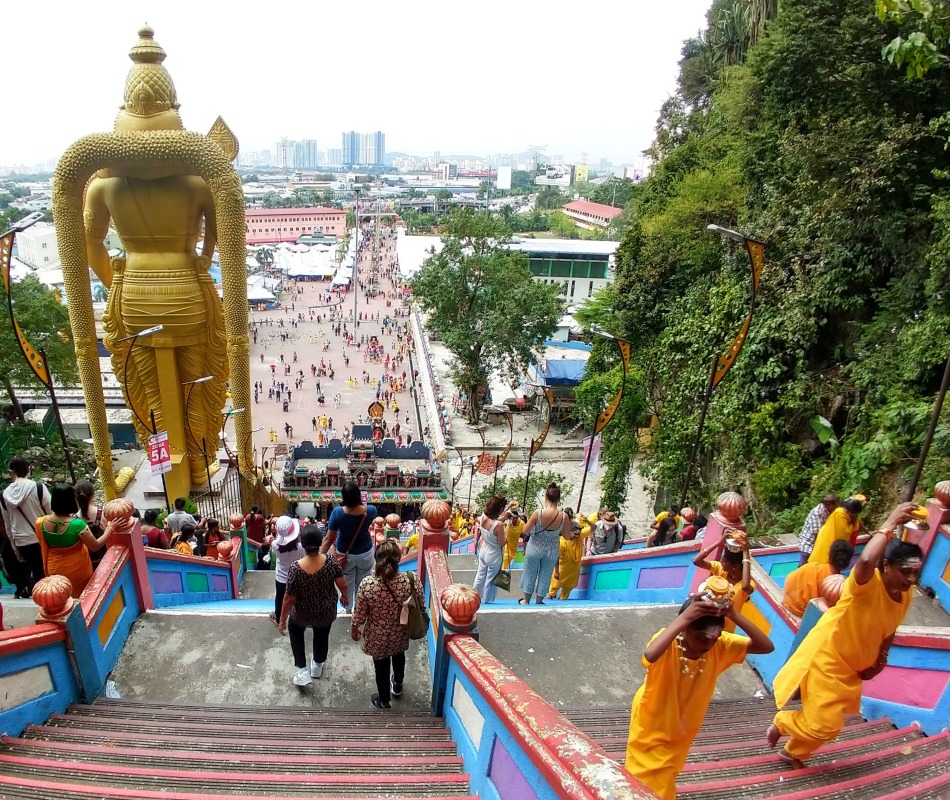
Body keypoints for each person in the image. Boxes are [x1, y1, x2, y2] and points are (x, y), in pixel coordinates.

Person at [768, 502, 921, 768]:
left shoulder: (905, 594)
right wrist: (891, 522)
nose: (911, 579)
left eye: (915, 572)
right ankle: (782, 722)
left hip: (853, 667)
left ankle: (793, 752)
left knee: (832, 725)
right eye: (905, 571)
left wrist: (880, 659)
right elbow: (863, 560)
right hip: (827, 659)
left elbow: (890, 626)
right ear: (886, 566)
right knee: (823, 725)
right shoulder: (865, 585)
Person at [625, 596, 774, 798]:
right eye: (701, 637)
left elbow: (766, 646)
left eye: (714, 637)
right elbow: (650, 654)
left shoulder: (721, 645)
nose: (708, 644)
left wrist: (734, 615)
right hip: (652, 721)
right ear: (685, 628)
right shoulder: (668, 642)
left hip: (684, 726)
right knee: (645, 782)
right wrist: (685, 617)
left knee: (667, 771)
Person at [351, 539, 422, 708]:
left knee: (381, 665)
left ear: (377, 559)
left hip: (377, 635)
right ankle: (397, 685)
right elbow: (421, 605)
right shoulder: (411, 580)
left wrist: (355, 628)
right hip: (401, 631)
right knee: (399, 656)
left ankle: (384, 700)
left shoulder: (368, 584)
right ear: (399, 559)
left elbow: (359, 613)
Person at [278, 525, 349, 686]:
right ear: (319, 542)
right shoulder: (330, 560)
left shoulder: (295, 568)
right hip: (326, 612)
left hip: (301, 614)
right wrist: (344, 596)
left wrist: (282, 620)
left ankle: (302, 671)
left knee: (295, 630)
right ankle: (317, 665)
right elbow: (342, 583)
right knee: (322, 634)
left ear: (302, 544)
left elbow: (289, 598)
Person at [35, 483, 112, 597]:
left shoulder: (40, 523)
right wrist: (109, 531)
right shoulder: (77, 525)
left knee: (61, 595)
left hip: (54, 568)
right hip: (77, 569)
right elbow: (95, 546)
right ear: (72, 500)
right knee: (82, 597)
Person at [321, 481, 376, 612]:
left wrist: (320, 556)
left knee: (346, 582)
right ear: (358, 496)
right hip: (365, 552)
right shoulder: (371, 511)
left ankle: (348, 610)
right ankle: (360, 610)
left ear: (344, 498)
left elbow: (329, 538)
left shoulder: (338, 513)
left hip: (344, 554)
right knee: (363, 582)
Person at [0, 455, 52, 593]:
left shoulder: (3, 495)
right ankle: (53, 603)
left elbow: (8, 526)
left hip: (22, 542)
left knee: (37, 574)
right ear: (28, 469)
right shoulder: (39, 487)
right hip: (42, 539)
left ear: (12, 472)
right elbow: (52, 515)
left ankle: (43, 603)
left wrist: (16, 549)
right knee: (50, 573)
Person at [519, 483, 571, 605]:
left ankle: (526, 600)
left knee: (530, 572)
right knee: (546, 574)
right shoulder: (564, 516)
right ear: (559, 499)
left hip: (535, 546)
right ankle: (539, 600)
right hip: (552, 549)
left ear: (546, 497)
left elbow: (524, 531)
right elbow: (567, 536)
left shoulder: (538, 513)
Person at [693, 530, 755, 632]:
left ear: (735, 566)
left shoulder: (748, 583)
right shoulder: (720, 569)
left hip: (724, 628)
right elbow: (697, 561)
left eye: (724, 561)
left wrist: (745, 552)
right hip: (704, 619)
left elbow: (745, 587)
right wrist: (719, 542)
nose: (721, 562)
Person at [782, 540, 853, 617]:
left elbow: (789, 579)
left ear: (829, 556)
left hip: (788, 603)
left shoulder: (811, 566)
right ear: (847, 564)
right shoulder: (840, 588)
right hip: (805, 616)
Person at [472, 496, 507, 604]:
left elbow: (492, 522)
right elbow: (502, 543)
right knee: (491, 580)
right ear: (499, 510)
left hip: (484, 549)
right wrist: (507, 530)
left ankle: (474, 596)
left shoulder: (482, 517)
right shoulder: (499, 525)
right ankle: (488, 601)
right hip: (494, 553)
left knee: (480, 575)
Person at [269, 516, 303, 627]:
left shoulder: (275, 545)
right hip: (295, 577)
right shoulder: (300, 547)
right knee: (296, 597)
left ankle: (278, 617)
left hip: (281, 577)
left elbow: (276, 541)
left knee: (279, 597)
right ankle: (298, 617)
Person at [809, 496, 863, 564]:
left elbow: (858, 527)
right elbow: (845, 533)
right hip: (827, 542)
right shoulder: (839, 514)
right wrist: (853, 523)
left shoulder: (850, 516)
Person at [548, 510, 590, 600]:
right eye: (575, 534)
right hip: (562, 570)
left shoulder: (579, 538)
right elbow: (556, 557)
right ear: (569, 531)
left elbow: (593, 528)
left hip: (573, 570)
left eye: (578, 534)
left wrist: (586, 521)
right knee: (552, 591)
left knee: (566, 593)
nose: (577, 536)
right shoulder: (562, 542)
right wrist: (556, 571)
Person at [797, 493, 839, 565]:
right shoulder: (817, 513)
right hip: (809, 545)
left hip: (818, 544)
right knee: (804, 568)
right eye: (835, 506)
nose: (836, 507)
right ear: (828, 505)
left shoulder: (829, 510)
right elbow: (817, 535)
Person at [502, 503, 524, 570]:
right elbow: (505, 536)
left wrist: (525, 547)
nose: (515, 520)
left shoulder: (522, 524)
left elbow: (525, 535)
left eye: (516, 518)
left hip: (514, 548)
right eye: (513, 518)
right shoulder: (507, 525)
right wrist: (509, 524)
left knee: (508, 567)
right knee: (504, 567)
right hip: (506, 549)